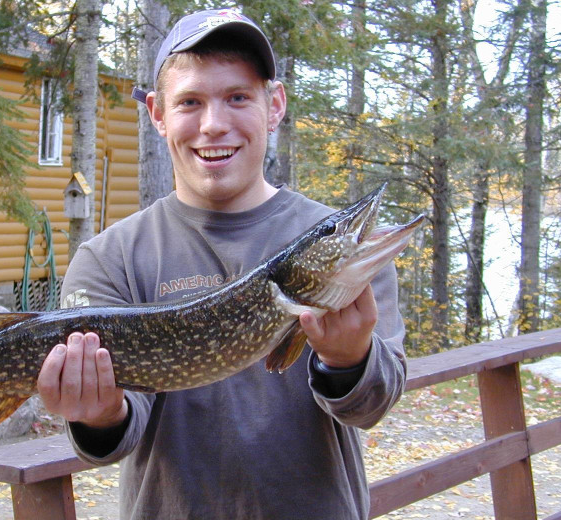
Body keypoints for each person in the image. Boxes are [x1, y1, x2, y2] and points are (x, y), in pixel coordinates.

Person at [37, 8, 406, 519]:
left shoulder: (343, 261)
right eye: (190, 102)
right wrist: (100, 414)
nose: (214, 125)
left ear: (273, 105)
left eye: (238, 97)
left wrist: (348, 360)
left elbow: (373, 407)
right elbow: (114, 435)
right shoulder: (109, 259)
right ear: (157, 114)